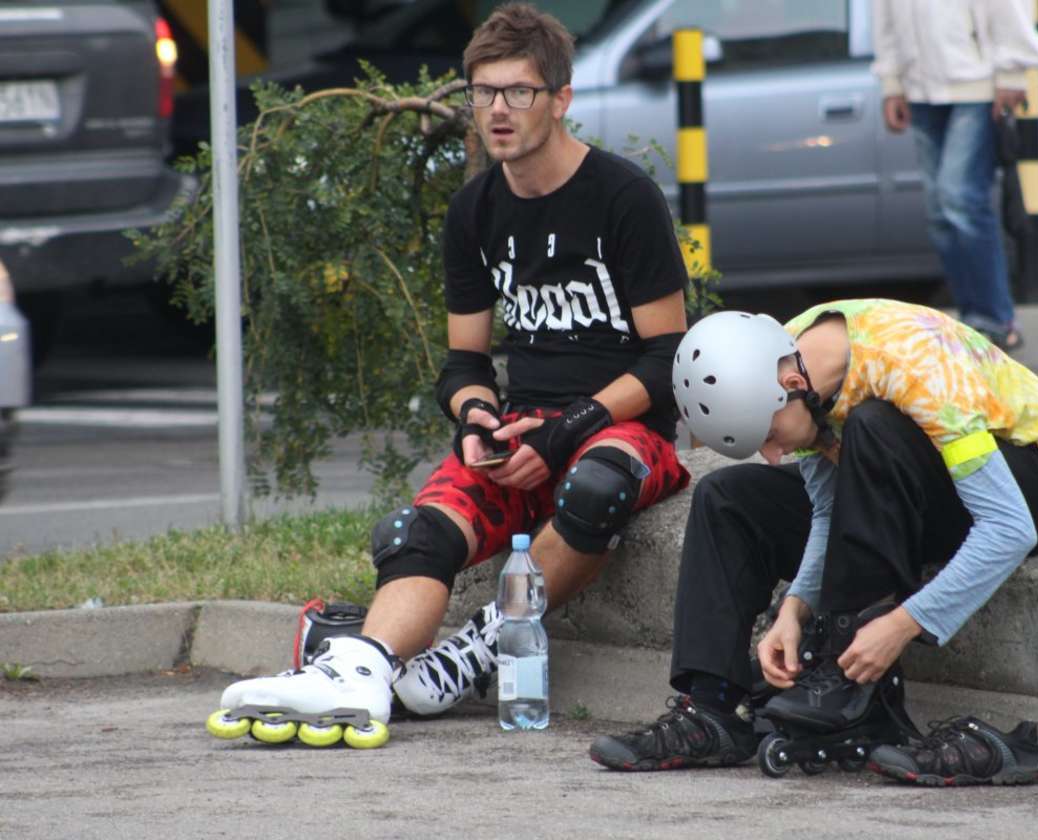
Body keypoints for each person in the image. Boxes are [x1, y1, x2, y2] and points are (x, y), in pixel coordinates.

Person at [211, 2, 691, 746]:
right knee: (410, 532)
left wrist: (568, 432)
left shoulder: (623, 198)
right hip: (524, 423)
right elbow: (465, 363)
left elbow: (667, 359)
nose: (498, 111)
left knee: (596, 490)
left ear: (561, 99)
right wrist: (478, 421)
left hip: (620, 426)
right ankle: (362, 673)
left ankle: (481, 645)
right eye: (483, 92)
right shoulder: (476, 209)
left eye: (519, 92)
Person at [590, 299, 1038, 785]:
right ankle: (712, 709)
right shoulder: (790, 355)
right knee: (729, 496)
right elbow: (830, 510)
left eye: (767, 433)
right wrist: (794, 609)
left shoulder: (912, 365)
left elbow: (1009, 528)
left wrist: (902, 623)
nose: (771, 454)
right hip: (915, 483)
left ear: (791, 385)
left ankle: (845, 673)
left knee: (871, 426)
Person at [873, 0, 1038, 351]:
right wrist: (892, 83)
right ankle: (973, 320)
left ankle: (997, 318)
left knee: (961, 199)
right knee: (940, 213)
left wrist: (1012, 72)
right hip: (919, 88)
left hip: (976, 83)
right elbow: (884, 12)